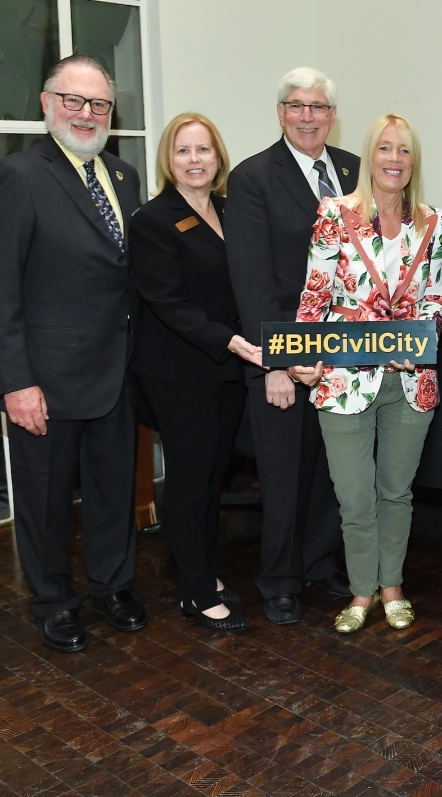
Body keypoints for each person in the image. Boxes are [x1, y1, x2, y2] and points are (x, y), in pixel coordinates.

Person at [0, 54, 145, 653]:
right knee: (46, 501)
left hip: (116, 372)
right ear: (47, 104)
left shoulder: (124, 177)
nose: (86, 113)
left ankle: (113, 587)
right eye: (73, 100)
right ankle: (53, 601)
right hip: (46, 381)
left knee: (112, 490)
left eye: (98, 104)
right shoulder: (17, 178)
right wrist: (16, 382)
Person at [290, 114, 442, 634]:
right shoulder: (336, 214)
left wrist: (418, 342)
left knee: (396, 492)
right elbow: (316, 294)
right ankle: (361, 592)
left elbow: (432, 300)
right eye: (385, 149)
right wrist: (303, 355)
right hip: (343, 378)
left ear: (413, 161)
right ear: (368, 156)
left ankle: (393, 588)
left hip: (409, 380)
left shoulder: (433, 221)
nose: (394, 160)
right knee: (354, 496)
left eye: (404, 151)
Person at [224, 67, 358, 625]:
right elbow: (251, 279)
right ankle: (279, 579)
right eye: (297, 106)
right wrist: (276, 362)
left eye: (319, 107)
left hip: (346, 351)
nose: (308, 116)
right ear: (280, 113)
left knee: (335, 467)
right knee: (283, 473)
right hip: (283, 353)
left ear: (331, 115)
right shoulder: (253, 177)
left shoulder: (353, 169)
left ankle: (318, 560)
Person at [130, 113, 263, 633]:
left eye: (203, 150)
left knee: (214, 474)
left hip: (227, 369)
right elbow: (166, 302)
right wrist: (230, 340)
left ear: (218, 156)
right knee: (190, 479)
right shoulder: (153, 220)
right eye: (183, 151)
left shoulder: (230, 210)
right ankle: (194, 592)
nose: (194, 160)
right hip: (179, 372)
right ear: (169, 160)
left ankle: (202, 573)